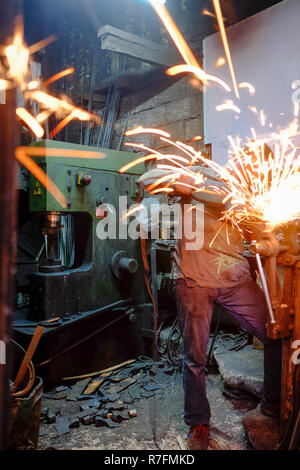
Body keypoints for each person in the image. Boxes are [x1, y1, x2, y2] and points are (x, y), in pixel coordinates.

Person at [139, 166, 282, 450]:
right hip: (193, 281)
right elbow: (147, 180)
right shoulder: (198, 176)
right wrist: (190, 187)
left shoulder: (248, 195)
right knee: (195, 358)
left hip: (234, 279)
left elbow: (262, 236)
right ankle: (198, 424)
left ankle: (273, 403)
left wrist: (268, 244)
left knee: (275, 332)